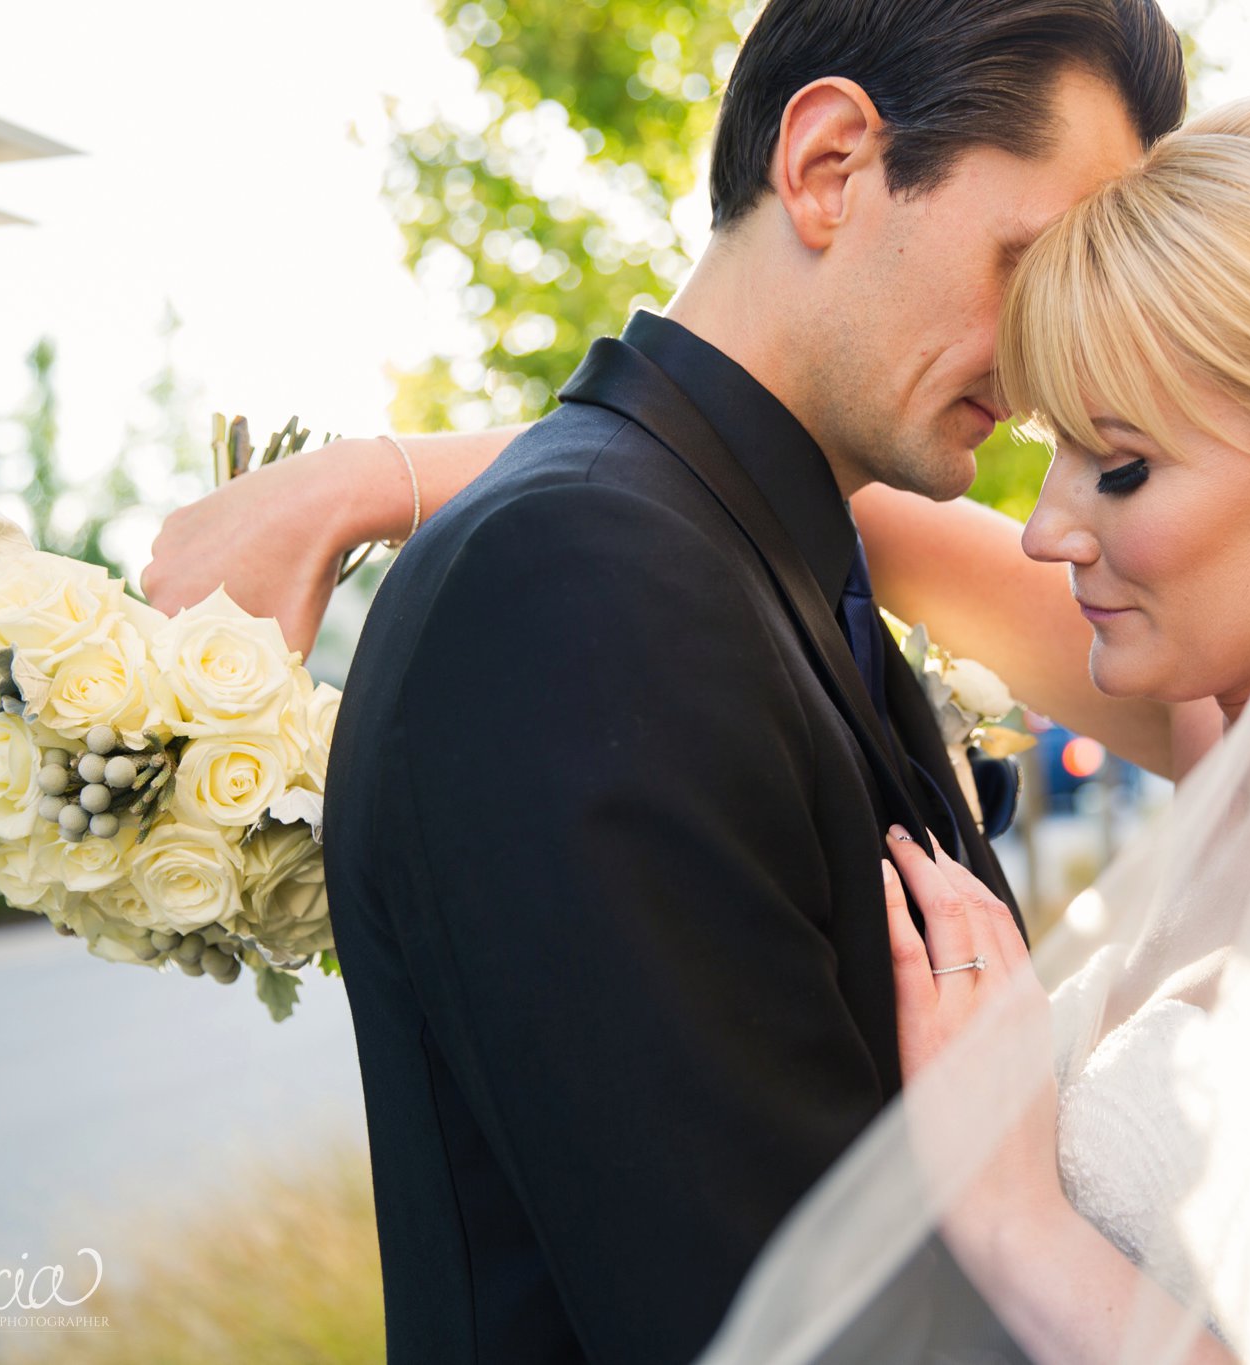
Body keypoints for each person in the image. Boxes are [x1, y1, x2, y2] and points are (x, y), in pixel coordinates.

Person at [155, 88, 1250, 1363]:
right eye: (1054, 444)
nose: (1051, 522)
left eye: (1120, 465)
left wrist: (1015, 1215)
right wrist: (358, 484)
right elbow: (783, 493)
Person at [143, 3, 1187, 1361]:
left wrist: (379, 476)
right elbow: (775, 1326)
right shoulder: (579, 583)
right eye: (1028, 266)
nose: (1052, 371)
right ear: (825, 164)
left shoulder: (753, 545)